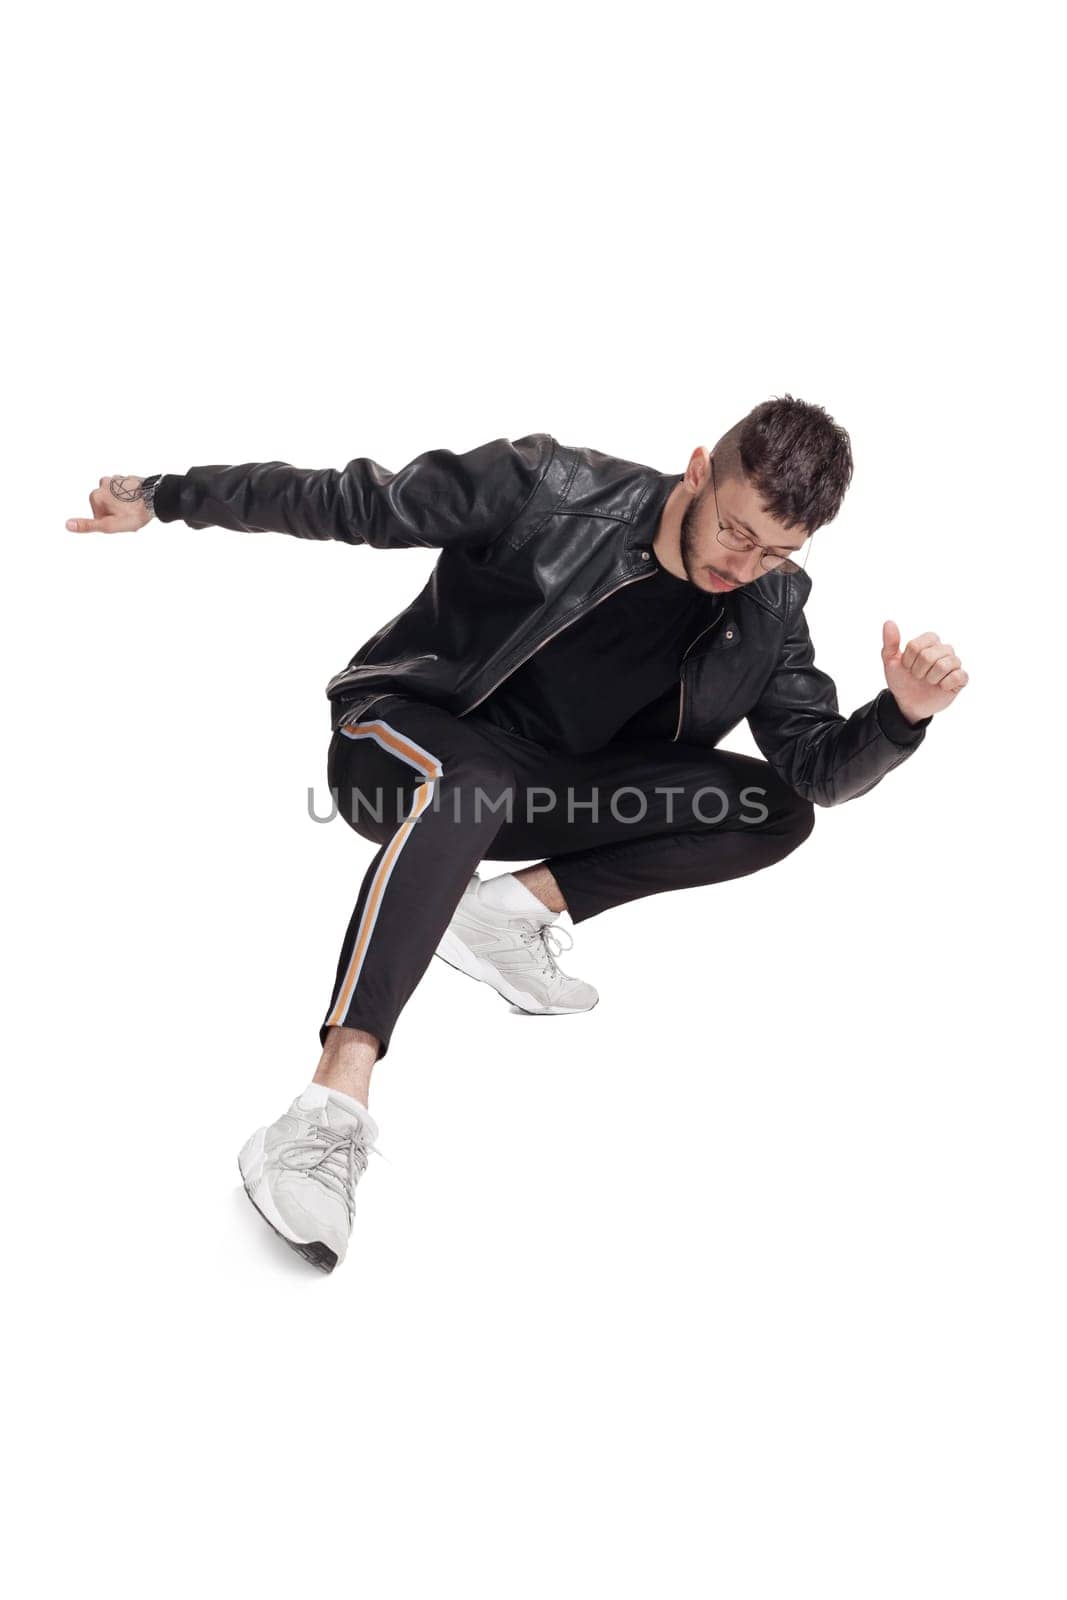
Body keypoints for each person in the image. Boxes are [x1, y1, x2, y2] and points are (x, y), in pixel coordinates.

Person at [66, 396, 969, 1272]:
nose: (745, 566)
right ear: (699, 470)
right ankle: (324, 1112)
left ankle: (504, 914)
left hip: (544, 794)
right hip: (403, 746)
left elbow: (812, 766)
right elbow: (347, 499)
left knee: (773, 810)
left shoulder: (770, 605)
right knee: (477, 777)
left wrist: (900, 716)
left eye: (777, 550)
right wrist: (164, 494)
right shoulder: (547, 486)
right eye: (736, 531)